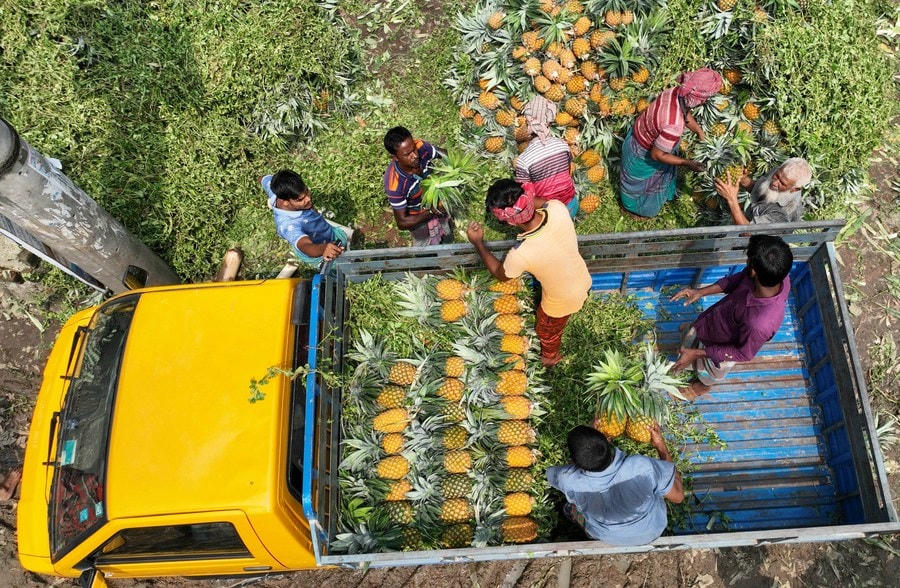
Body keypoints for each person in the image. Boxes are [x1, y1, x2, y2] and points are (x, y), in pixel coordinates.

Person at [466, 179, 591, 366]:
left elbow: (500, 273)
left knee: (547, 332)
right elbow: (541, 202)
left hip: (561, 304)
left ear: (510, 222)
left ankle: (550, 357)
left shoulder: (520, 254)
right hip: (583, 279)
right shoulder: (558, 209)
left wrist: (478, 243)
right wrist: (526, 199)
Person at [671, 234, 793, 400]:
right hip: (715, 320)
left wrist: (697, 353)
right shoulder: (774, 275)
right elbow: (735, 280)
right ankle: (695, 344)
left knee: (709, 373)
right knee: (694, 334)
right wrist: (700, 292)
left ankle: (701, 388)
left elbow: (743, 353)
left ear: (754, 270)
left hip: (722, 349)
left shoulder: (759, 324)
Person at [547, 424, 683, 546]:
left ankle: (573, 514)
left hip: (607, 536)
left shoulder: (567, 479)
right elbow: (678, 497)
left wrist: (583, 455)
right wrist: (660, 445)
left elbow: (551, 474)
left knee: (575, 509)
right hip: (651, 531)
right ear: (607, 440)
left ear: (574, 462)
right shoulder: (641, 467)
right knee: (659, 484)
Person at [620, 68, 722, 219]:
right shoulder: (674, 126)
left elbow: (684, 112)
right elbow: (657, 155)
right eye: (704, 99)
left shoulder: (675, 92)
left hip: (639, 135)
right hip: (643, 153)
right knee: (635, 189)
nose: (705, 101)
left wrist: (699, 132)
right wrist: (687, 163)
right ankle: (634, 208)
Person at [261, 170, 350, 265]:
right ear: (285, 202)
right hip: (318, 251)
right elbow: (305, 246)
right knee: (340, 266)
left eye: (307, 192)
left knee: (342, 240)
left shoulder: (276, 188)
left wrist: (261, 179)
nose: (308, 199)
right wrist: (324, 248)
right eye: (300, 199)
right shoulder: (287, 225)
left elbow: (264, 179)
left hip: (326, 231)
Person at [383, 126, 452, 246]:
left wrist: (455, 166)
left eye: (413, 149)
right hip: (418, 218)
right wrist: (432, 212)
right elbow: (402, 222)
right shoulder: (395, 184)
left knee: (445, 231)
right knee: (424, 243)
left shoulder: (420, 146)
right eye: (407, 154)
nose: (415, 155)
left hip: (438, 204)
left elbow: (444, 154)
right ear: (395, 157)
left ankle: (446, 244)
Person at [514, 96, 579, 218]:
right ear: (550, 122)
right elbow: (568, 170)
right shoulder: (563, 145)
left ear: (528, 124)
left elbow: (525, 194)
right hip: (572, 206)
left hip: (548, 213)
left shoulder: (523, 160)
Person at [715, 157, 813, 225]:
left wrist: (732, 199)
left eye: (782, 183)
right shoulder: (780, 172)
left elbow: (747, 233)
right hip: (750, 218)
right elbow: (760, 190)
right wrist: (744, 180)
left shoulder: (783, 214)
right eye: (777, 176)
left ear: (795, 189)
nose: (775, 183)